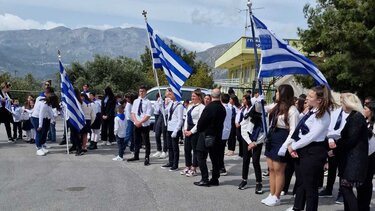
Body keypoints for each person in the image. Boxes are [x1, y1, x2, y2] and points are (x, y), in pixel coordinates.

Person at [286, 85, 334, 211]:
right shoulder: (312, 111)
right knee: (301, 182)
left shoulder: (323, 115)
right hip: (304, 149)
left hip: (313, 152)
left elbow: (312, 136)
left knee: (310, 187)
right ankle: (298, 207)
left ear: (319, 100)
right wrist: (293, 145)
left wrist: (293, 146)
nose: (307, 98)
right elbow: (301, 131)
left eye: (311, 96)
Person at [262, 84, 299, 207]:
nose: (276, 94)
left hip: (283, 137)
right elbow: (262, 109)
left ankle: (277, 196)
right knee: (271, 168)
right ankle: (272, 193)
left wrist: (286, 145)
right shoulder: (276, 106)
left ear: (283, 94)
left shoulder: (292, 110)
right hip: (272, 136)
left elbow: (294, 130)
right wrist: (258, 101)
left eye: (277, 92)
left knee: (279, 170)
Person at [335, 93, 368, 211]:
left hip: (353, 160)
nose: (341, 105)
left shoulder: (356, 117)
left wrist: (337, 144)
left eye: (342, 102)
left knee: (345, 188)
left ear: (349, 104)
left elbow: (351, 140)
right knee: (345, 189)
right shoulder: (354, 117)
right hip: (351, 159)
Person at [318, 92, 349, 204]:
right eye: (341, 98)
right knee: (332, 167)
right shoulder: (335, 111)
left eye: (344, 98)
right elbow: (330, 127)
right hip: (332, 142)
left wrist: (334, 137)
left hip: (343, 143)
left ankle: (342, 192)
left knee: (342, 170)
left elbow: (344, 131)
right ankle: (329, 189)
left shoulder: (352, 114)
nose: (341, 100)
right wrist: (330, 140)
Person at [194, 88, 226, 187]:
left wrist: (199, 130)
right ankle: (215, 178)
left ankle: (205, 178)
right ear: (220, 96)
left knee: (200, 156)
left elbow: (201, 122)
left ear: (211, 96)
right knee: (214, 158)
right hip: (217, 136)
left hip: (206, 135)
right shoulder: (222, 108)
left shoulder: (209, 107)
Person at [238, 102, 265, 194]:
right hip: (247, 139)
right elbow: (243, 129)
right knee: (246, 160)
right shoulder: (249, 116)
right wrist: (249, 142)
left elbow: (265, 132)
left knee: (255, 161)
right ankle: (244, 180)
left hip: (258, 140)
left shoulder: (264, 117)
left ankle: (259, 182)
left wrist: (255, 143)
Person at [181, 89, 205, 177]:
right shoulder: (190, 106)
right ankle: (187, 166)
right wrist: (185, 129)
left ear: (199, 97)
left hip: (195, 130)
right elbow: (187, 118)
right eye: (192, 96)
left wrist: (191, 131)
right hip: (188, 128)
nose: (192, 98)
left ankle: (194, 168)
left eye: (194, 96)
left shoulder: (202, 107)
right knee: (187, 149)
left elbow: (200, 122)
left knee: (195, 150)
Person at [128, 85, 152, 166]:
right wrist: (136, 121)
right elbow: (133, 113)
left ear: (146, 92)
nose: (141, 93)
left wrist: (140, 122)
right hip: (136, 123)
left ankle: (147, 157)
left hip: (144, 124)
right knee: (136, 140)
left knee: (146, 141)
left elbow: (148, 115)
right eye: (140, 91)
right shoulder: (136, 101)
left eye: (143, 91)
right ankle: (136, 155)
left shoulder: (148, 102)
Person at [161, 88, 184, 171]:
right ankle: (170, 162)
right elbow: (165, 112)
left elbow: (180, 120)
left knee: (175, 148)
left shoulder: (180, 106)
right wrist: (162, 104)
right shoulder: (171, 103)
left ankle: (175, 164)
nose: (170, 94)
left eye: (172, 93)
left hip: (175, 129)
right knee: (169, 147)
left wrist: (176, 130)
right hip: (169, 127)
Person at [359, 101, 375, 211]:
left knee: (367, 182)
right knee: (360, 182)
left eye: (365, 108)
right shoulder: (364, 121)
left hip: (370, 156)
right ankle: (360, 204)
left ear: (372, 111)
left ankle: (365, 206)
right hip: (362, 156)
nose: (363, 110)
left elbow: (373, 144)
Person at [219, 93, 232, 176]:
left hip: (222, 131)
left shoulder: (222, 108)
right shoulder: (229, 108)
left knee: (219, 151)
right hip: (226, 131)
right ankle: (219, 166)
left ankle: (222, 168)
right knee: (220, 150)